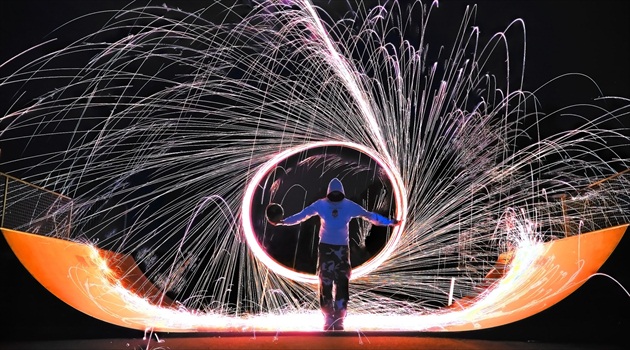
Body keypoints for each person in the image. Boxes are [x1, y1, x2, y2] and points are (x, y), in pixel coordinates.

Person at [271, 177, 401, 331]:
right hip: (327, 249)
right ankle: (328, 318)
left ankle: (338, 319)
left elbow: (371, 216)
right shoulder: (322, 205)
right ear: (329, 194)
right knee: (326, 283)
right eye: (333, 195)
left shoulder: (347, 206)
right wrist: (283, 221)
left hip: (340, 250)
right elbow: (301, 216)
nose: (335, 199)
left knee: (341, 283)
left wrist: (390, 222)